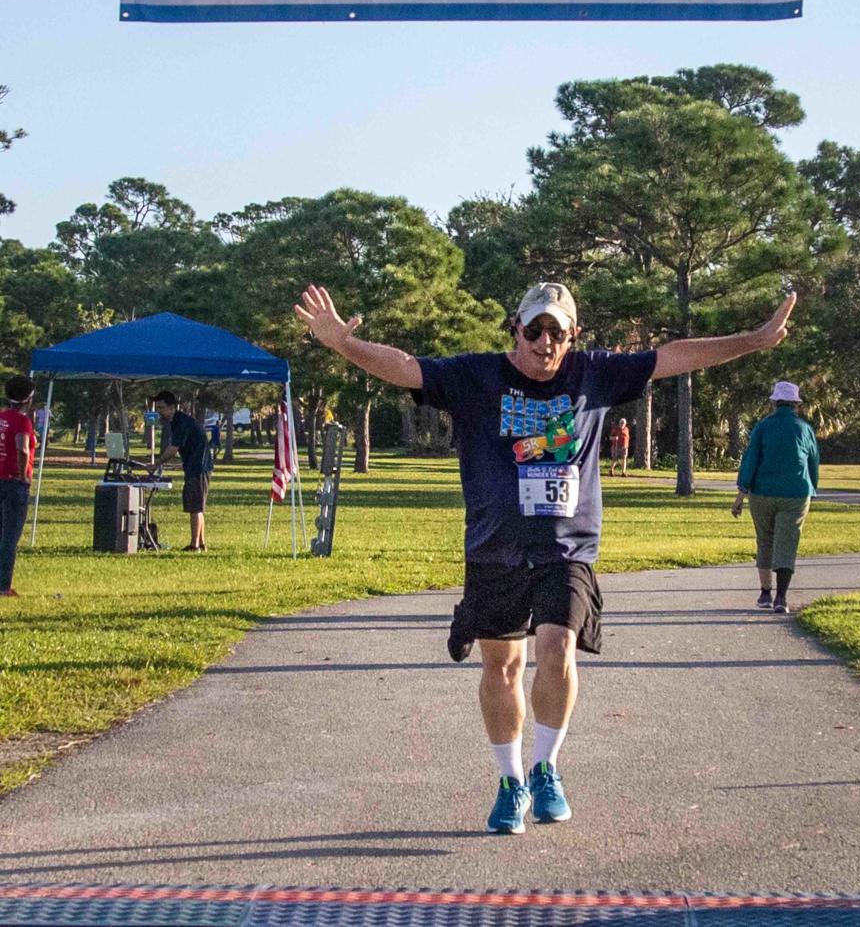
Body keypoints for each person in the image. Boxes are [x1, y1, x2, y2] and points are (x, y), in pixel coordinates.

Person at [295, 280, 796, 835]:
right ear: (516, 328)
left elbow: (677, 356)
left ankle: (545, 768)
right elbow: (407, 367)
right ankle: (510, 782)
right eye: (533, 329)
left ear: (572, 335)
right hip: (497, 549)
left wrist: (751, 340)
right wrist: (343, 344)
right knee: (501, 666)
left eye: (556, 331)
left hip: (566, 548)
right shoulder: (475, 377)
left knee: (558, 648)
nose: (543, 342)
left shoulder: (594, 374)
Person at [731, 381, 820, 615]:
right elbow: (813, 463)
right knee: (787, 541)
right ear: (796, 405)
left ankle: (765, 593)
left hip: (762, 492)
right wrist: (812, 488)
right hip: (796, 492)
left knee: (765, 540)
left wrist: (741, 494)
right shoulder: (805, 429)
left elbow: (750, 461)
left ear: (774, 403)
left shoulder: (762, 427)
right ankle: (782, 596)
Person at [147, 390, 213, 552]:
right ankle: (201, 543)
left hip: (198, 468)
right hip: (196, 467)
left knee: (194, 508)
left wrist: (156, 464)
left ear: (171, 407)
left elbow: (173, 449)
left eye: (162, 408)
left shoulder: (181, 422)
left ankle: (194, 545)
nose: (159, 411)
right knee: (197, 507)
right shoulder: (178, 421)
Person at [0, 375, 37, 597]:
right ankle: (3, 586)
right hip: (14, 483)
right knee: (10, 537)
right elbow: (22, 448)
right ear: (28, 399)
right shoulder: (22, 421)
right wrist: (23, 475)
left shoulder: (2, 417)